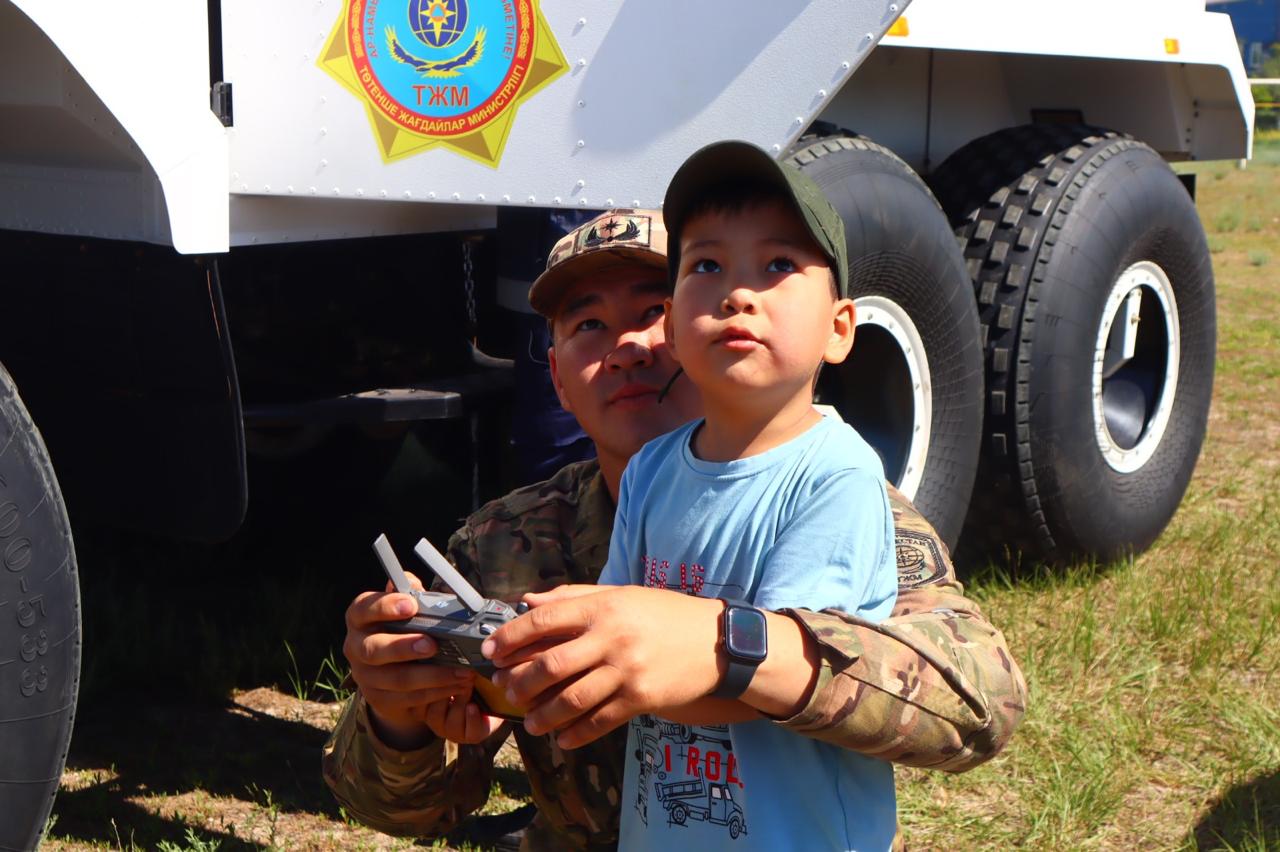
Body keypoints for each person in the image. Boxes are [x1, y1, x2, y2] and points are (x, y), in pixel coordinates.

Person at [324, 201, 1027, 850]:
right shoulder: (510, 540)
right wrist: (401, 716)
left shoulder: (827, 495)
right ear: (558, 381)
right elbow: (408, 811)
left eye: (656, 310)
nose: (628, 348)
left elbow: (978, 702)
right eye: (589, 325)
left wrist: (732, 648)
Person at [571, 140, 896, 848]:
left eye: (778, 265)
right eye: (706, 266)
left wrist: (624, 665)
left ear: (840, 329)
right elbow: (611, 617)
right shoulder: (652, 470)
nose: (737, 293)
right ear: (674, 325)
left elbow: (777, 681)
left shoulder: (836, 475)